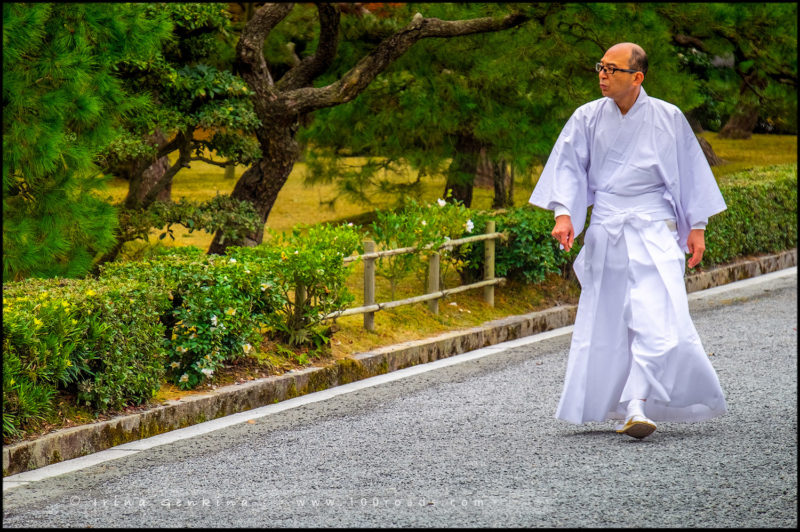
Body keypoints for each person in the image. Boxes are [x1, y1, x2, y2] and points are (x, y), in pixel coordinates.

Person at [529, 42, 728, 439]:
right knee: (611, 321)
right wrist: (564, 214)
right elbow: (568, 167)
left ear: (637, 77)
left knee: (659, 320)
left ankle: (637, 404)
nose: (602, 74)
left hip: (654, 226)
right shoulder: (586, 117)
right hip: (607, 228)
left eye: (612, 69)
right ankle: (626, 404)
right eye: (600, 66)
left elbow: (690, 173)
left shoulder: (667, 117)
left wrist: (698, 225)